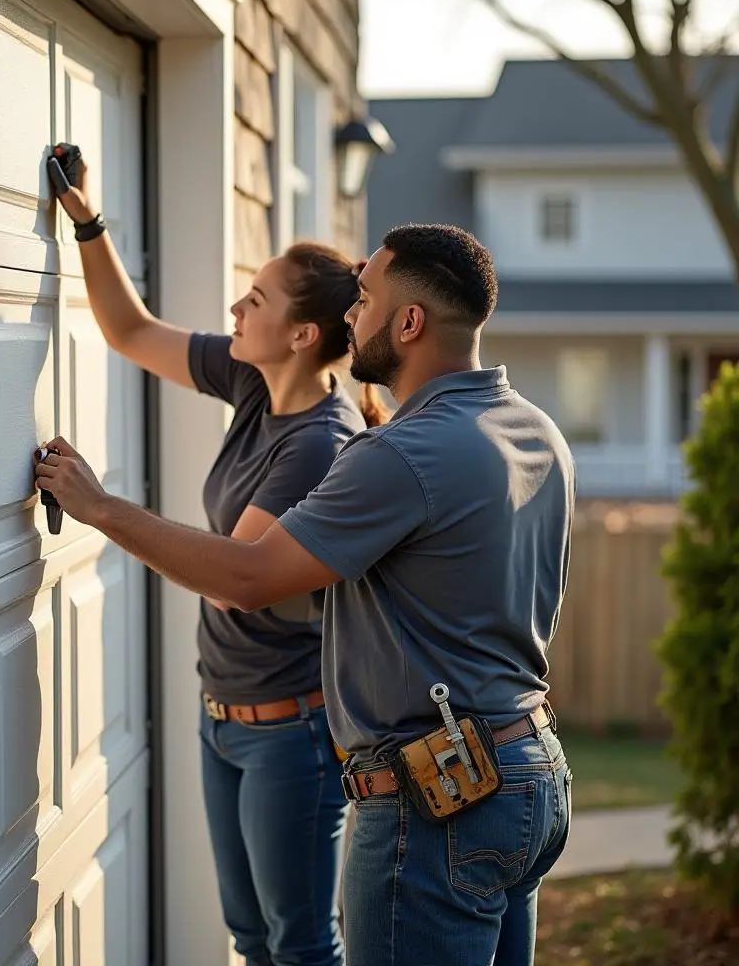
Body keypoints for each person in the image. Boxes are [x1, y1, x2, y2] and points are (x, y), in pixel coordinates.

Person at [35, 221, 576, 966]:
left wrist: (100, 508)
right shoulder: (535, 428)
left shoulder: (395, 454)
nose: (353, 316)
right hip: (529, 773)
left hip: (437, 804)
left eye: (366, 299)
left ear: (409, 322)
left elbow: (247, 577)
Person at [46, 145, 388, 966]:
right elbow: (129, 330)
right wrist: (88, 222)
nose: (237, 306)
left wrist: (99, 509)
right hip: (225, 716)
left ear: (302, 335)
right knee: (251, 937)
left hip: (291, 733)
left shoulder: (317, 444)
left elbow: (239, 581)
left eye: (256, 298)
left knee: (300, 943)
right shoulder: (251, 382)